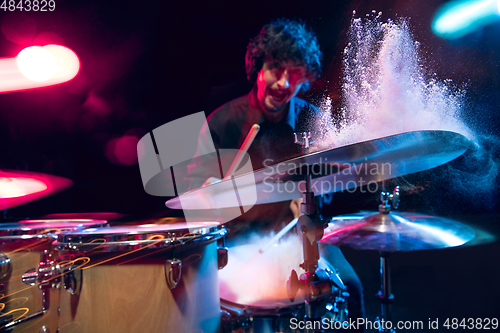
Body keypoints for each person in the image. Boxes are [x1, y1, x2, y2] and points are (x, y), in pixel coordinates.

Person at [187, 18, 365, 330]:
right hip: (241, 241)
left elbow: (336, 180)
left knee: (351, 287)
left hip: (307, 235)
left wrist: (316, 193)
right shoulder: (222, 123)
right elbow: (194, 200)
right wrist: (206, 191)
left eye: (294, 73)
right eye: (276, 69)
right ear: (257, 68)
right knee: (245, 302)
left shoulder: (313, 120)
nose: (284, 83)